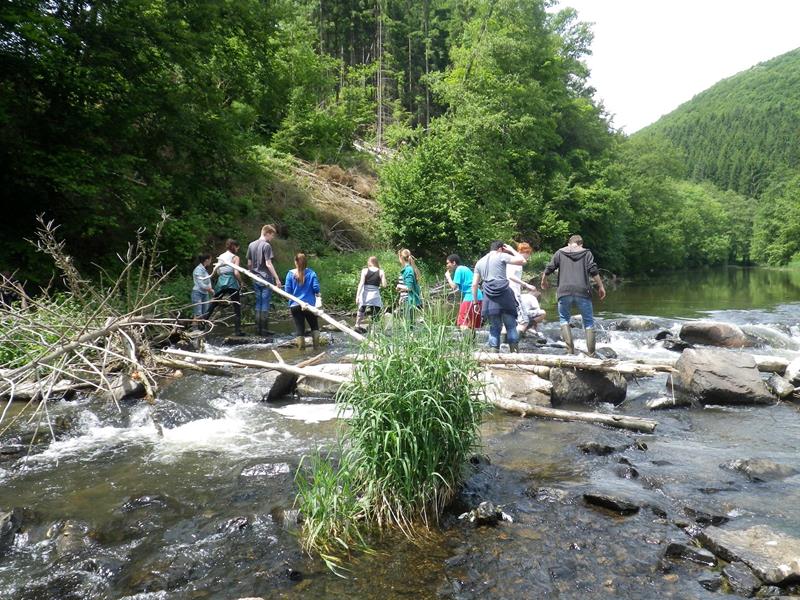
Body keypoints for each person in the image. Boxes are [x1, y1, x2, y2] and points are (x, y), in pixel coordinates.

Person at [540, 234, 606, 356]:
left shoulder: (560, 252)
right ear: (581, 244)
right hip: (582, 291)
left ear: (569, 243)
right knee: (588, 322)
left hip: (564, 291)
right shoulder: (586, 253)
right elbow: (593, 270)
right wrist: (601, 286)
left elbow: (549, 267)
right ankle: (591, 353)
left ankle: (570, 351)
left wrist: (543, 280)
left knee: (564, 319)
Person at [471, 241, 527, 352]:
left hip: (489, 298)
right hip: (505, 296)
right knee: (511, 326)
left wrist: (475, 302)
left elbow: (474, 284)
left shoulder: (479, 262)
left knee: (494, 328)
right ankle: (514, 354)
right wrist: (511, 249)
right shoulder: (501, 255)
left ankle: (494, 356)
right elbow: (523, 261)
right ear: (501, 248)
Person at [246, 224, 282, 336]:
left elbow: (249, 264)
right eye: (272, 235)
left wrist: (252, 274)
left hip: (255, 278)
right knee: (265, 303)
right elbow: (268, 263)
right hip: (266, 279)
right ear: (267, 233)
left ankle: (258, 329)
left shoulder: (251, 245)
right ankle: (264, 330)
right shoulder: (266, 246)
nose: (272, 238)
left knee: (258, 303)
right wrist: (277, 279)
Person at [205, 239, 243, 336]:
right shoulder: (235, 257)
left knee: (213, 303)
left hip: (221, 281)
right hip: (232, 283)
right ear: (234, 246)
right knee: (237, 306)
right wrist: (241, 282)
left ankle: (202, 322)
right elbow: (236, 272)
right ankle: (237, 331)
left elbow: (217, 271)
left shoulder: (221, 256)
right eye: (237, 247)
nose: (238, 250)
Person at [285, 253, 321, 350]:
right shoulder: (311, 273)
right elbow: (316, 288)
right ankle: (316, 349)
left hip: (295, 305)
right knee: (314, 326)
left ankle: (301, 351)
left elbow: (287, 291)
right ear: (306, 262)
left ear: (295, 262)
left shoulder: (290, 274)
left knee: (299, 329)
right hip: (309, 305)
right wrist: (317, 294)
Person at [444, 254, 483, 331]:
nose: (447, 265)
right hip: (479, 297)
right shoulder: (465, 268)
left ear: (454, 263)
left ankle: (467, 342)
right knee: (472, 325)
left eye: (448, 263)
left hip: (470, 297)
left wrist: (448, 277)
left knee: (463, 323)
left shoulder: (459, 270)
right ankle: (473, 342)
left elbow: (454, 286)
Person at [506, 242, 537, 330]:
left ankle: (505, 341)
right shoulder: (517, 261)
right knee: (524, 320)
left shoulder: (512, 260)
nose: (528, 257)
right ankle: (516, 341)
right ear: (525, 252)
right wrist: (526, 284)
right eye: (528, 254)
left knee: (510, 318)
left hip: (508, 291)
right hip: (514, 292)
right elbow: (510, 276)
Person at [354, 256, 387, 332]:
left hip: (365, 293)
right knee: (375, 312)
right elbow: (384, 285)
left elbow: (361, 284)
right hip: (375, 294)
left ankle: (357, 325)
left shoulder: (365, 270)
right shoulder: (381, 271)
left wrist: (357, 296)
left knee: (361, 309)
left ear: (369, 262)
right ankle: (374, 330)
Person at [396, 248, 422, 321]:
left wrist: (399, 286)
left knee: (408, 325)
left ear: (401, 258)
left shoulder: (408, 270)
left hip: (409, 301)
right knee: (409, 324)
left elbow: (409, 288)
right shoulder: (408, 269)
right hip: (406, 300)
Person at [191, 254, 213, 327]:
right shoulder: (198, 270)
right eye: (210, 259)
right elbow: (200, 283)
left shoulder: (204, 269)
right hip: (197, 293)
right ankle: (194, 330)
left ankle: (202, 330)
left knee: (205, 314)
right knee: (198, 314)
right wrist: (210, 289)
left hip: (205, 293)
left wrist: (209, 288)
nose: (210, 261)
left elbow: (208, 281)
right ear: (206, 260)